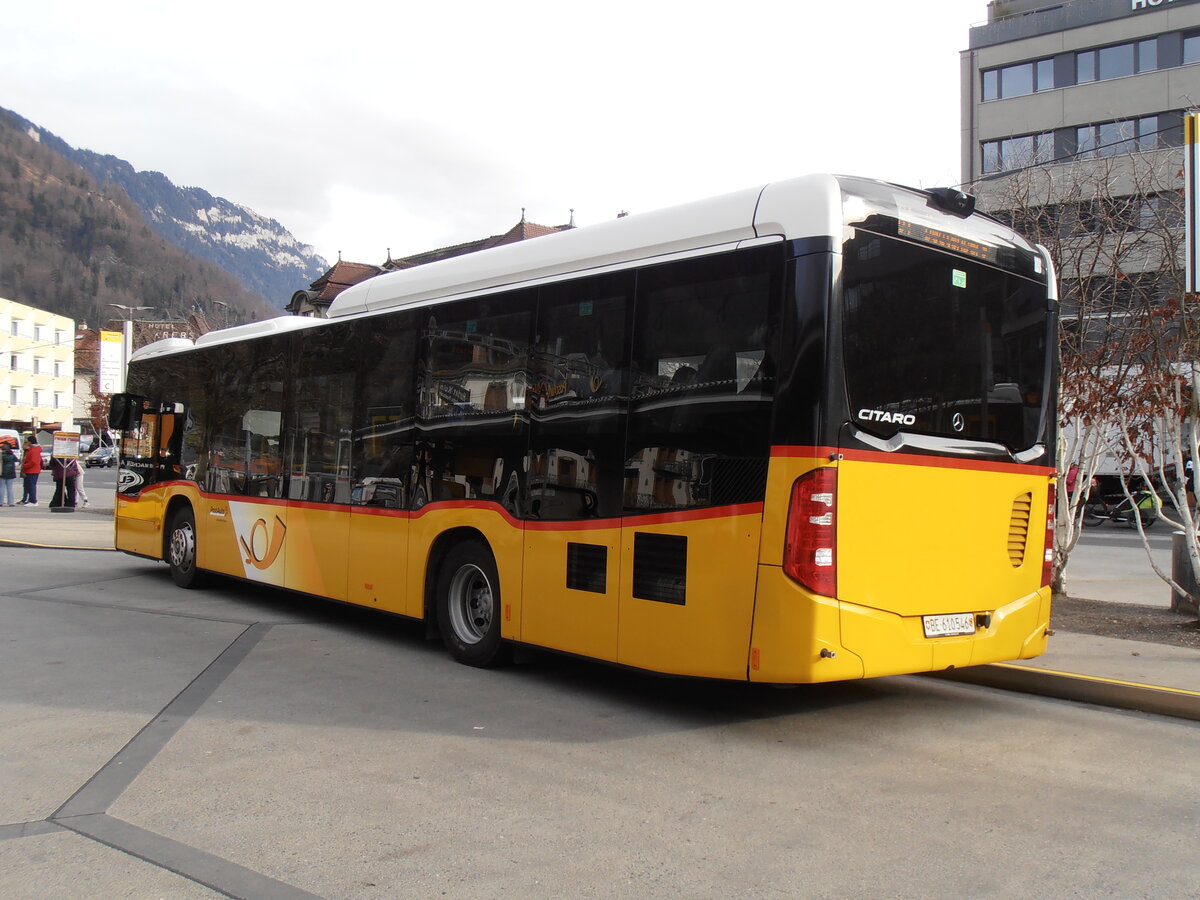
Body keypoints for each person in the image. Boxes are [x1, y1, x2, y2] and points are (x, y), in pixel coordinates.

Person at [19, 436, 42, 506]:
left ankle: (33, 501)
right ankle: (31, 500)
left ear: (30, 442)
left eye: (28, 441)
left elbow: (34, 462)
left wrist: (24, 466)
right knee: (30, 486)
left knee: (31, 486)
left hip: (32, 470)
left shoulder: (34, 450)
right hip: (32, 470)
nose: (27, 443)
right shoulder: (34, 449)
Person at [0, 441, 16, 506]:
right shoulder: (12, 455)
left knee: (1, 487)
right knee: (10, 488)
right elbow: (16, 460)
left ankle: (0, 502)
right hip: (11, 472)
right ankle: (11, 502)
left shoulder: (1, 455)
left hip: (2, 472)